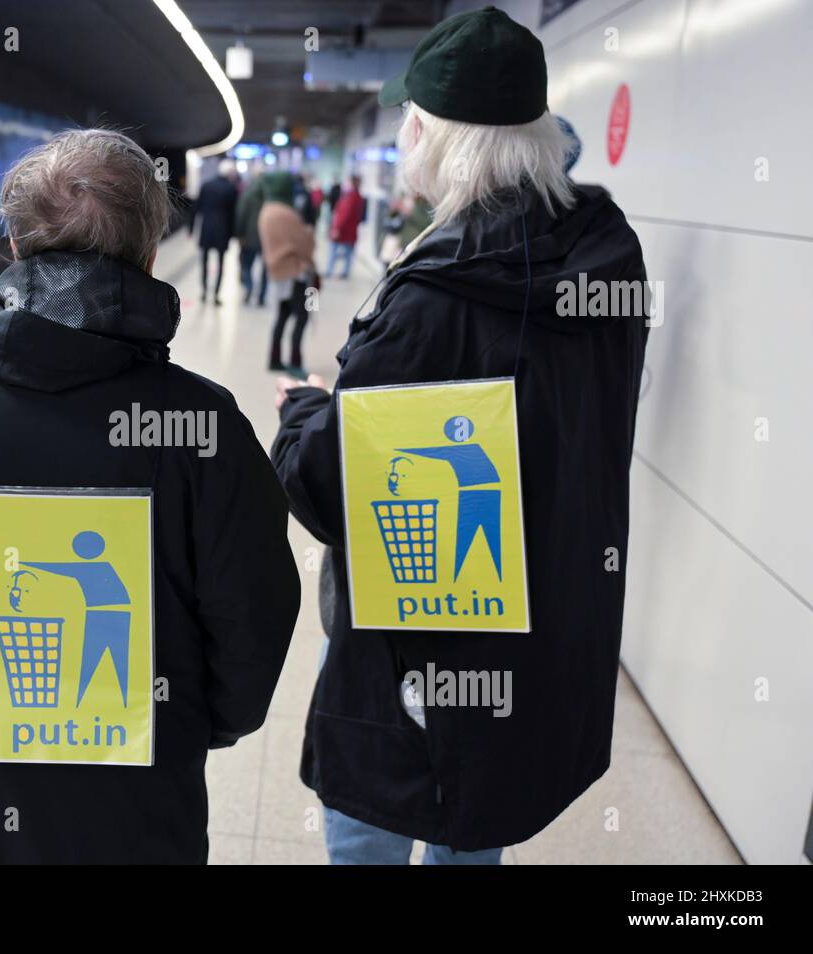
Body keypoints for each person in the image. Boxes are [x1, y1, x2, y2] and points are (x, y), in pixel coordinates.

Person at [0, 128, 300, 864]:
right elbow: (255, 616)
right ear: (148, 254)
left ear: (14, 246)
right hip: (132, 808)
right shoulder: (199, 424)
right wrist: (187, 718)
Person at [270, 7, 649, 864]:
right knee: (476, 829)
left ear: (427, 134)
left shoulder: (433, 300)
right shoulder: (608, 259)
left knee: (377, 830)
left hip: (416, 653)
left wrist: (302, 411)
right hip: (544, 636)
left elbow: (335, 494)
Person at [258, 170, 317, 374]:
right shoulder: (286, 213)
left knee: (282, 317)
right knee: (302, 318)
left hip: (277, 273)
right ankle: (295, 362)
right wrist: (309, 234)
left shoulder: (267, 209)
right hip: (295, 273)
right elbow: (305, 244)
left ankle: (274, 359)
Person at [190, 159, 240, 303]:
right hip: (223, 230)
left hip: (206, 228)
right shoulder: (231, 188)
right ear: (229, 173)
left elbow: (196, 208)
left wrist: (192, 228)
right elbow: (233, 214)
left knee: (204, 261)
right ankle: (216, 294)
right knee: (221, 263)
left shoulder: (206, 185)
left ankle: (204, 291)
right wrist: (233, 235)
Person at [234, 174, 267, 306]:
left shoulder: (247, 196)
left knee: (246, 265)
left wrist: (239, 234)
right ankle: (261, 297)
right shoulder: (268, 197)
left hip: (248, 238)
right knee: (265, 270)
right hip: (265, 239)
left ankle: (249, 287)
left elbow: (240, 216)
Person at [326, 174, 365, 279]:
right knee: (348, 253)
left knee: (334, 251)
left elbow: (344, 214)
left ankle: (330, 271)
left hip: (344, 231)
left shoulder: (350, 197)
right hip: (351, 231)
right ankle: (345, 272)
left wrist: (337, 228)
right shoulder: (358, 197)